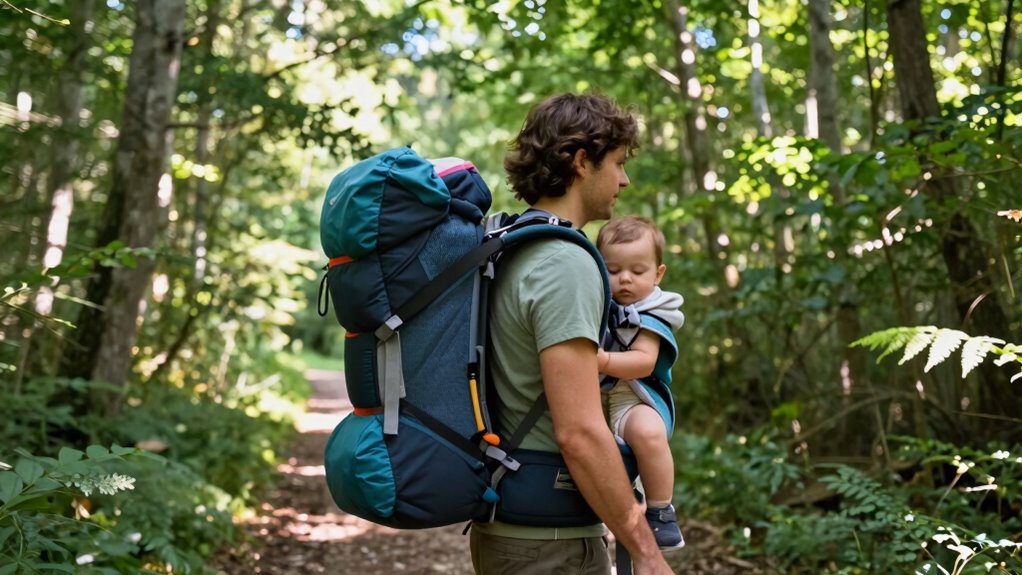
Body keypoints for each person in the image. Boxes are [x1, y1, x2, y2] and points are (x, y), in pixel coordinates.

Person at [469, 93, 674, 575]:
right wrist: (646, 552)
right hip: (549, 545)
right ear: (582, 161)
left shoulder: (512, 244)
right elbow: (579, 431)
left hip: (515, 525)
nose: (624, 179)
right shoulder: (565, 263)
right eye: (618, 163)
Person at [596, 215, 686, 550]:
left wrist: (601, 360)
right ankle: (603, 519)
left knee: (648, 432)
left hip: (634, 400)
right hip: (593, 403)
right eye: (613, 270)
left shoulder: (652, 313)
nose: (625, 280)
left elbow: (643, 361)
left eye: (637, 271)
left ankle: (661, 510)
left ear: (658, 273)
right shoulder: (594, 303)